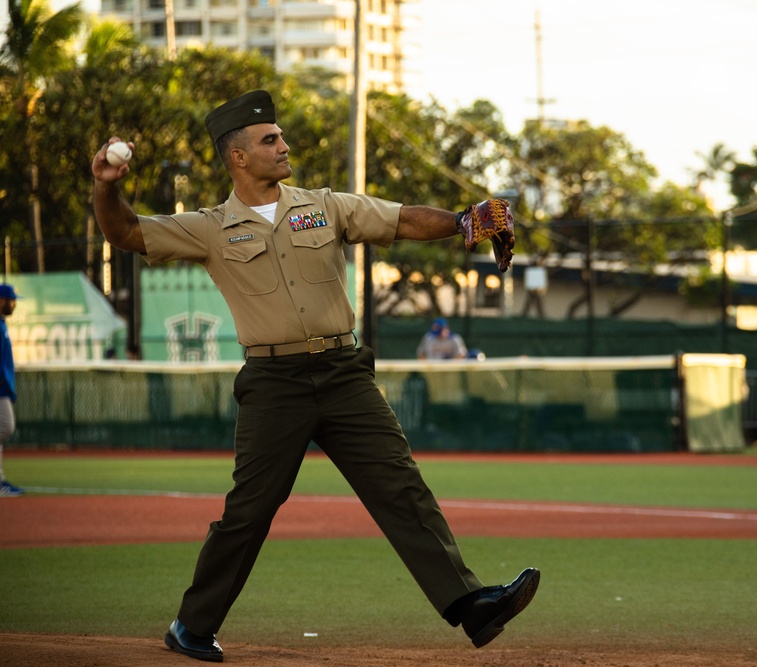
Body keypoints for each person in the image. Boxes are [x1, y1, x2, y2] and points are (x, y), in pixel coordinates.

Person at [91, 90, 538, 663]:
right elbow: (124, 233)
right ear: (239, 158)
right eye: (269, 140)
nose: (283, 146)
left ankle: (470, 604)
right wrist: (106, 186)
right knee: (249, 511)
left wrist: (461, 221)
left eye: (279, 136)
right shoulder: (209, 227)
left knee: (401, 488)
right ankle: (191, 626)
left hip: (343, 372)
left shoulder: (324, 206)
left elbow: (399, 220)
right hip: (273, 383)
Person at [0, 283, 24, 498]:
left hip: (4, 388)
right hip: (0, 389)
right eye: (11, 300)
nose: (14, 304)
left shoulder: (1, 325)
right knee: (6, 427)